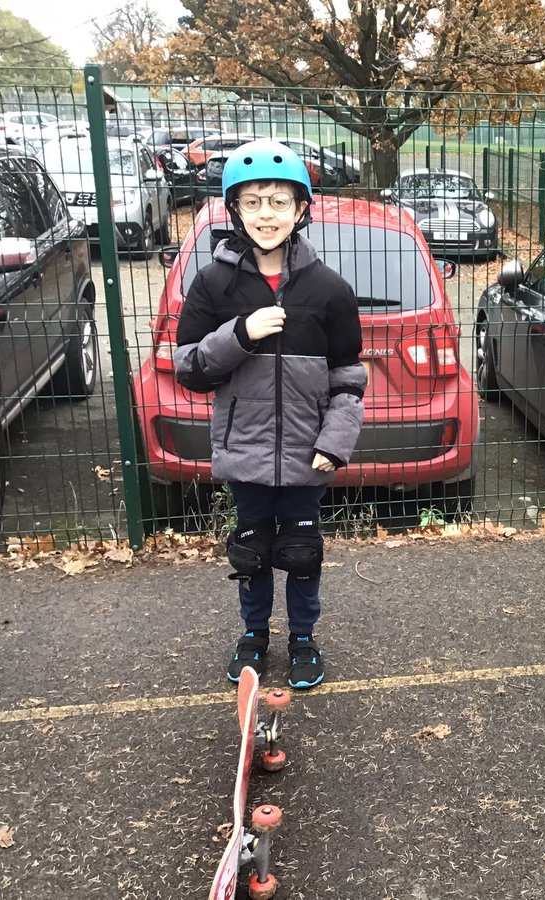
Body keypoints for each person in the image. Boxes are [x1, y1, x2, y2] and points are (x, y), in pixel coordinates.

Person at [173, 139, 366, 689]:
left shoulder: (329, 289)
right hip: (246, 452)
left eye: (279, 202)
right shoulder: (214, 284)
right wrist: (240, 334)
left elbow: (348, 378)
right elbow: (188, 366)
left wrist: (336, 440)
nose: (266, 214)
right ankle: (254, 636)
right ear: (234, 208)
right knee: (252, 551)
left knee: (303, 551)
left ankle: (303, 639)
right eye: (254, 202)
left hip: (310, 454)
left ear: (301, 209)